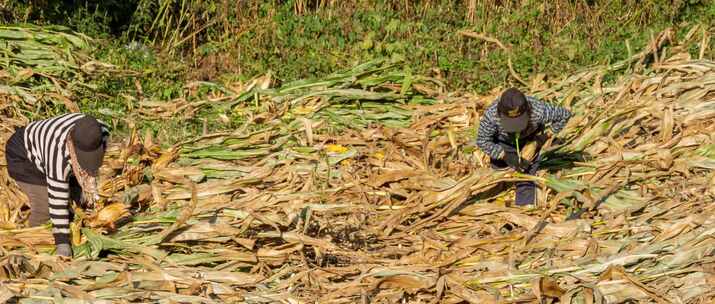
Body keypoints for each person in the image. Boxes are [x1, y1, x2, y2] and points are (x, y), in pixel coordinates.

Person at [5, 113, 109, 257]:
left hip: (49, 146)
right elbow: (57, 201)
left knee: (76, 200)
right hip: (23, 155)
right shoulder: (57, 154)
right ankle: (33, 245)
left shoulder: (100, 132)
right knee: (45, 207)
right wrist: (63, 244)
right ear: (72, 145)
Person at [476, 88, 571, 206]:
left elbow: (564, 115)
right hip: (503, 142)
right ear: (500, 114)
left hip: (530, 140)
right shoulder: (491, 115)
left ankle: (524, 207)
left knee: (526, 175)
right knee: (499, 172)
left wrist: (544, 137)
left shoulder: (539, 110)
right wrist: (504, 155)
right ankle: (496, 193)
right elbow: (482, 140)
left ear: (528, 111)